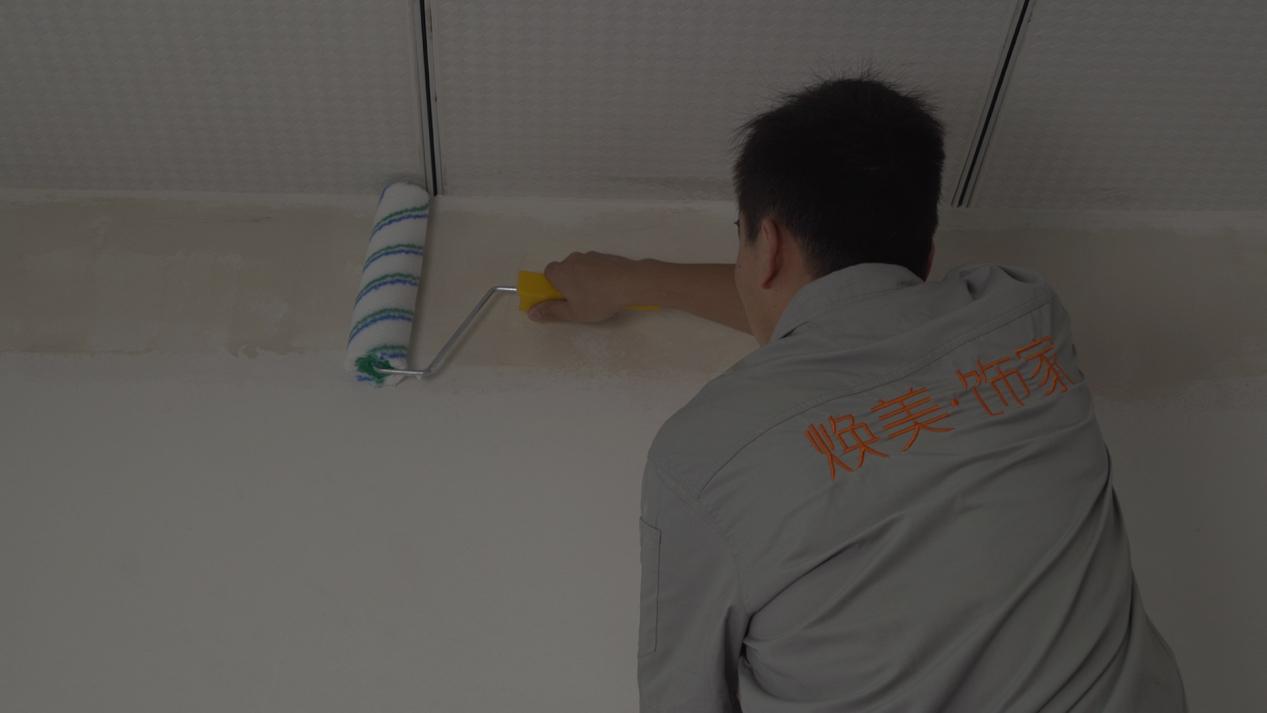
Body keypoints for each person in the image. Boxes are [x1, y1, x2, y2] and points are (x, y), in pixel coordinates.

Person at [529, 76, 1187, 713]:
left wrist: (636, 280)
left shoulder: (702, 457)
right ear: (927, 256)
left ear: (767, 246)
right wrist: (634, 281)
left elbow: (683, 698)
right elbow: (849, 319)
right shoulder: (1024, 317)